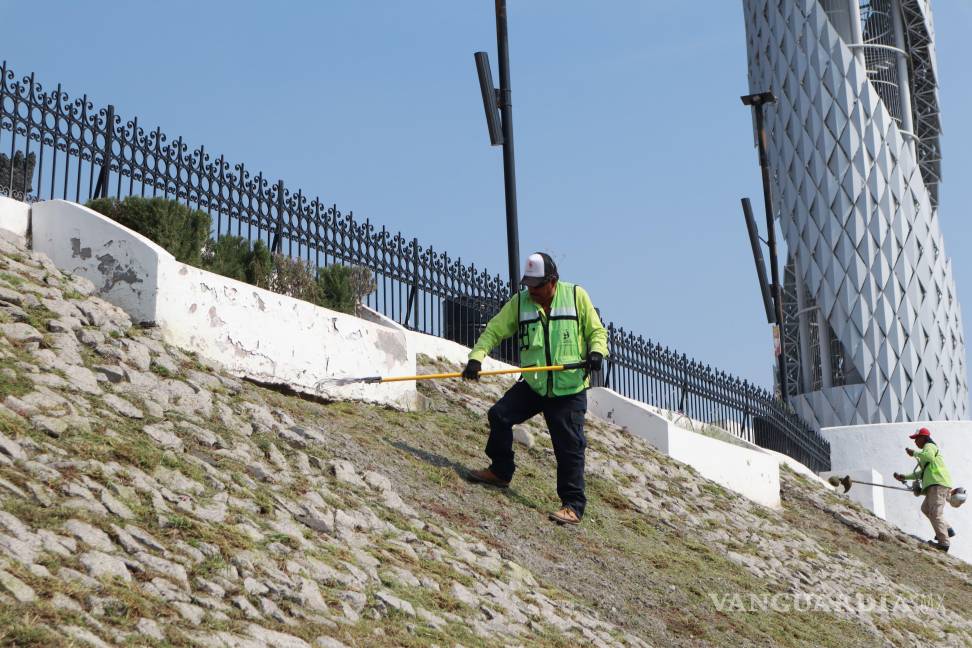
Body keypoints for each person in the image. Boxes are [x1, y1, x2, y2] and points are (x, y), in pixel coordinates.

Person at [461, 252, 608, 526]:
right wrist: (476, 358)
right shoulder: (520, 304)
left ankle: (573, 506)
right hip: (534, 382)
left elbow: (597, 332)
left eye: (537, 286)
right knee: (499, 416)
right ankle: (500, 472)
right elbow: (494, 330)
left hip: (569, 388)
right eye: (528, 285)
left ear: (552, 281)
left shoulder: (576, 296)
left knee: (569, 447)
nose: (532, 291)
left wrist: (597, 353)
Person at [894, 427, 954, 552]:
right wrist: (905, 476)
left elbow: (930, 457)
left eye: (917, 439)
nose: (915, 442)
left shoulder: (929, 446)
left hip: (938, 483)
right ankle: (947, 530)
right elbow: (921, 473)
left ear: (924, 438)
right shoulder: (926, 453)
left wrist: (914, 453)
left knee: (935, 514)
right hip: (935, 484)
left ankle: (944, 543)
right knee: (926, 509)